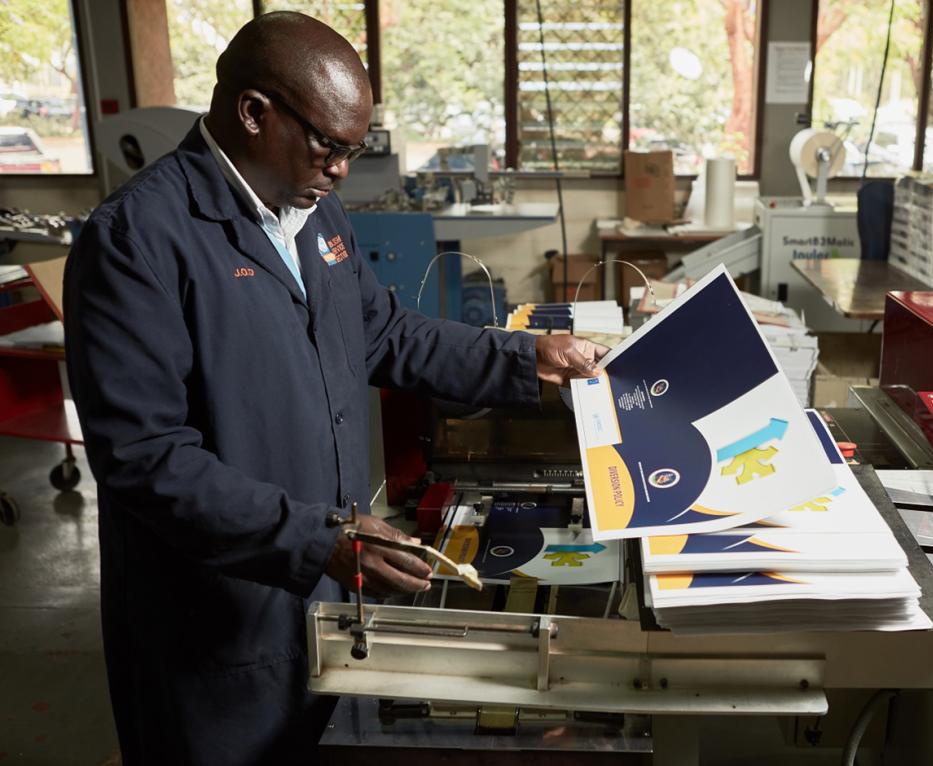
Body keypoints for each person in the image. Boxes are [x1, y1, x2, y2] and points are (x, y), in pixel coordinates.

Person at [63, 11, 604, 765]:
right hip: (218, 624)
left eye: (354, 150)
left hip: (326, 599)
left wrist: (527, 358)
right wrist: (313, 538)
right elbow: (143, 457)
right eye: (330, 145)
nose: (343, 169)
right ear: (254, 113)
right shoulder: (138, 240)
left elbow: (382, 333)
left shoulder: (314, 215)